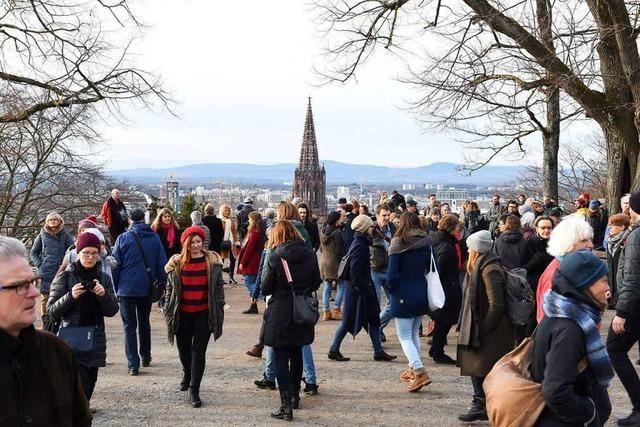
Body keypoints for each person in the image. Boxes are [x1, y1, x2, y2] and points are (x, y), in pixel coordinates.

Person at [0, 235, 92, 425]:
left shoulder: (56, 350)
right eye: (20, 286)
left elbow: (81, 420)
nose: (34, 293)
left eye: (33, 282)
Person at [532, 251, 612, 426]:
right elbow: (555, 391)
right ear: (585, 284)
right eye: (604, 281)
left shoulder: (560, 312)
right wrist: (589, 412)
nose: (608, 288)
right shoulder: (570, 327)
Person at [260, 220, 322, 420]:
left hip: (281, 310)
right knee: (297, 352)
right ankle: (295, 396)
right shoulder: (310, 255)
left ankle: (286, 405)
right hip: (302, 309)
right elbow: (316, 282)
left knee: (280, 356)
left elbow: (266, 287)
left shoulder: (277, 257)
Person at [47, 232, 119, 402]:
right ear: (78, 253)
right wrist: (71, 296)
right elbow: (52, 310)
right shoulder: (64, 277)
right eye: (86, 252)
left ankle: (80, 410)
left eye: (94, 253)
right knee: (80, 385)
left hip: (95, 337)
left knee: (91, 382)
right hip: (71, 337)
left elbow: (112, 311)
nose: (90, 257)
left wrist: (103, 295)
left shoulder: (104, 278)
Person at [163, 226, 225, 408]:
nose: (196, 245)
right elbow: (170, 288)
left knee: (199, 351)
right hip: (181, 313)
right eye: (193, 242)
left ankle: (194, 389)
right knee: (183, 350)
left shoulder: (212, 261)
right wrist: (167, 305)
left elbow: (219, 286)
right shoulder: (176, 263)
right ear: (186, 244)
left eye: (199, 242)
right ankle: (187, 372)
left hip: (203, 313)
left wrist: (219, 306)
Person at [457, 230, 515, 422]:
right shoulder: (483, 265)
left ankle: (481, 405)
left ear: (476, 250)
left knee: (481, 368)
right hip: (483, 327)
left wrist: (484, 328)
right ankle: (482, 404)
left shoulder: (490, 269)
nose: (467, 248)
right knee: (479, 368)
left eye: (469, 246)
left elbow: (496, 304)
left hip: (490, 330)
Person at [328, 214, 397, 362]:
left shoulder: (360, 242)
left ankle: (378, 351)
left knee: (372, 319)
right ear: (365, 228)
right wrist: (362, 288)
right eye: (371, 226)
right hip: (359, 290)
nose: (373, 228)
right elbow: (356, 272)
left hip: (361, 288)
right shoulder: (360, 245)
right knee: (349, 321)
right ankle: (334, 349)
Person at [112, 208, 167, 375]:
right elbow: (161, 263)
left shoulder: (123, 238)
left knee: (129, 326)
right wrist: (163, 284)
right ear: (144, 219)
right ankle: (146, 356)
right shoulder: (154, 237)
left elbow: (115, 265)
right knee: (144, 321)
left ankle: (132, 364)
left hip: (126, 288)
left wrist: (115, 286)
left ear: (130, 220)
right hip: (146, 287)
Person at [387, 212, 433, 392]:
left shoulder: (398, 242)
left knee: (405, 336)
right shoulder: (426, 243)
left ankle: (419, 371)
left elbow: (392, 274)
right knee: (414, 333)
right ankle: (412, 368)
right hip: (421, 290)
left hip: (403, 292)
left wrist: (392, 290)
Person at [607, 192, 640, 426]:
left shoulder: (637, 237)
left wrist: (621, 312)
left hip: (634, 308)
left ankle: (639, 406)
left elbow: (633, 278)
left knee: (614, 348)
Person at [536, 217, 594, 323]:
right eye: (584, 240)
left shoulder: (571, 267)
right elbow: (547, 320)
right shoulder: (556, 274)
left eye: (590, 239)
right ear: (568, 243)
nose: (591, 245)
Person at [429, 214, 463, 365]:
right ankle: (437, 351)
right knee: (445, 320)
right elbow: (442, 268)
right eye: (457, 228)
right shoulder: (447, 246)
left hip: (443, 286)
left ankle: (437, 349)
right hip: (446, 287)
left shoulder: (438, 239)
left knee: (442, 320)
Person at [30, 211, 74, 317]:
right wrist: (40, 264)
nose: (53, 221)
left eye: (55, 219)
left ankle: (56, 323)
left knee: (60, 297)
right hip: (46, 270)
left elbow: (72, 250)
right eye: (50, 220)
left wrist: (65, 264)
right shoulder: (42, 234)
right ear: (47, 222)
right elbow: (33, 252)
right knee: (45, 298)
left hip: (61, 270)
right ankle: (45, 324)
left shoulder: (65, 234)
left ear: (60, 221)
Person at [370, 203, 396, 342]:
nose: (386, 218)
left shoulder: (393, 227)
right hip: (375, 269)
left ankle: (377, 327)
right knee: (375, 304)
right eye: (383, 215)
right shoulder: (371, 228)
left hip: (390, 269)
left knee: (394, 302)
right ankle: (376, 331)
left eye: (388, 215)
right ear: (377, 216)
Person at [320, 210, 346, 321]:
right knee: (342, 285)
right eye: (341, 218)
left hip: (324, 260)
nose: (343, 220)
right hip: (335, 261)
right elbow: (340, 250)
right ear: (336, 220)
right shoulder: (337, 233)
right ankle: (336, 309)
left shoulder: (323, 230)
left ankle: (326, 312)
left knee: (327, 287)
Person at [238, 211, 263, 314]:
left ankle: (262, 295)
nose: (248, 221)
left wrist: (243, 262)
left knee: (249, 283)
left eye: (250, 219)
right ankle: (253, 305)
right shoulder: (256, 232)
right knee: (252, 282)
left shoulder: (254, 234)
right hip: (254, 261)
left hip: (252, 262)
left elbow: (249, 250)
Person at [606, 213, 631, 307]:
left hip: (624, 290)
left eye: (612, 225)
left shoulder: (628, 240)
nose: (609, 228)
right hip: (612, 294)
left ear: (622, 227)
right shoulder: (610, 242)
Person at [219, 203, 240, 284]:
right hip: (223, 243)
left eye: (228, 211)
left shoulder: (232, 220)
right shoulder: (220, 220)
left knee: (233, 259)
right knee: (221, 260)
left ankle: (231, 276)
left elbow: (234, 231)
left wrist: (237, 241)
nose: (227, 212)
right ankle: (220, 277)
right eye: (225, 211)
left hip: (232, 243)